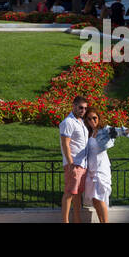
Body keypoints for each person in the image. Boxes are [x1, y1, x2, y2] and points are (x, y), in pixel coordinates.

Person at [82, 108, 129, 223]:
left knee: (100, 199)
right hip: (91, 169)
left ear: (98, 118)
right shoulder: (88, 133)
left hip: (101, 169)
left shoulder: (104, 130)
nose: (92, 121)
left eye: (94, 118)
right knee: (95, 200)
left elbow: (117, 131)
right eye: (89, 119)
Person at [59, 95, 90, 223]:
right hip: (74, 164)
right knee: (69, 194)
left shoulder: (81, 122)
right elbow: (65, 144)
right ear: (74, 106)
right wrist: (71, 164)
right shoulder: (68, 122)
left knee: (77, 195)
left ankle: (77, 220)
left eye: (85, 108)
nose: (83, 110)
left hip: (82, 164)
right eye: (80, 107)